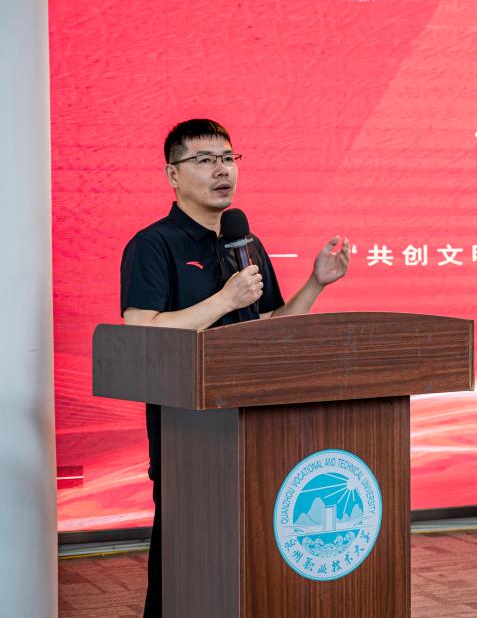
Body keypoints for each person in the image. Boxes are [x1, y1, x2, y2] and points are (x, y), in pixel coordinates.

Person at [119, 118, 350, 618]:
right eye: (204, 160)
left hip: (255, 427)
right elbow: (141, 331)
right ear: (173, 174)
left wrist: (315, 284)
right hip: (189, 436)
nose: (221, 170)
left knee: (251, 563)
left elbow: (267, 326)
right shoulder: (154, 244)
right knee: (185, 567)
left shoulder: (245, 243)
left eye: (227, 158)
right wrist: (224, 300)